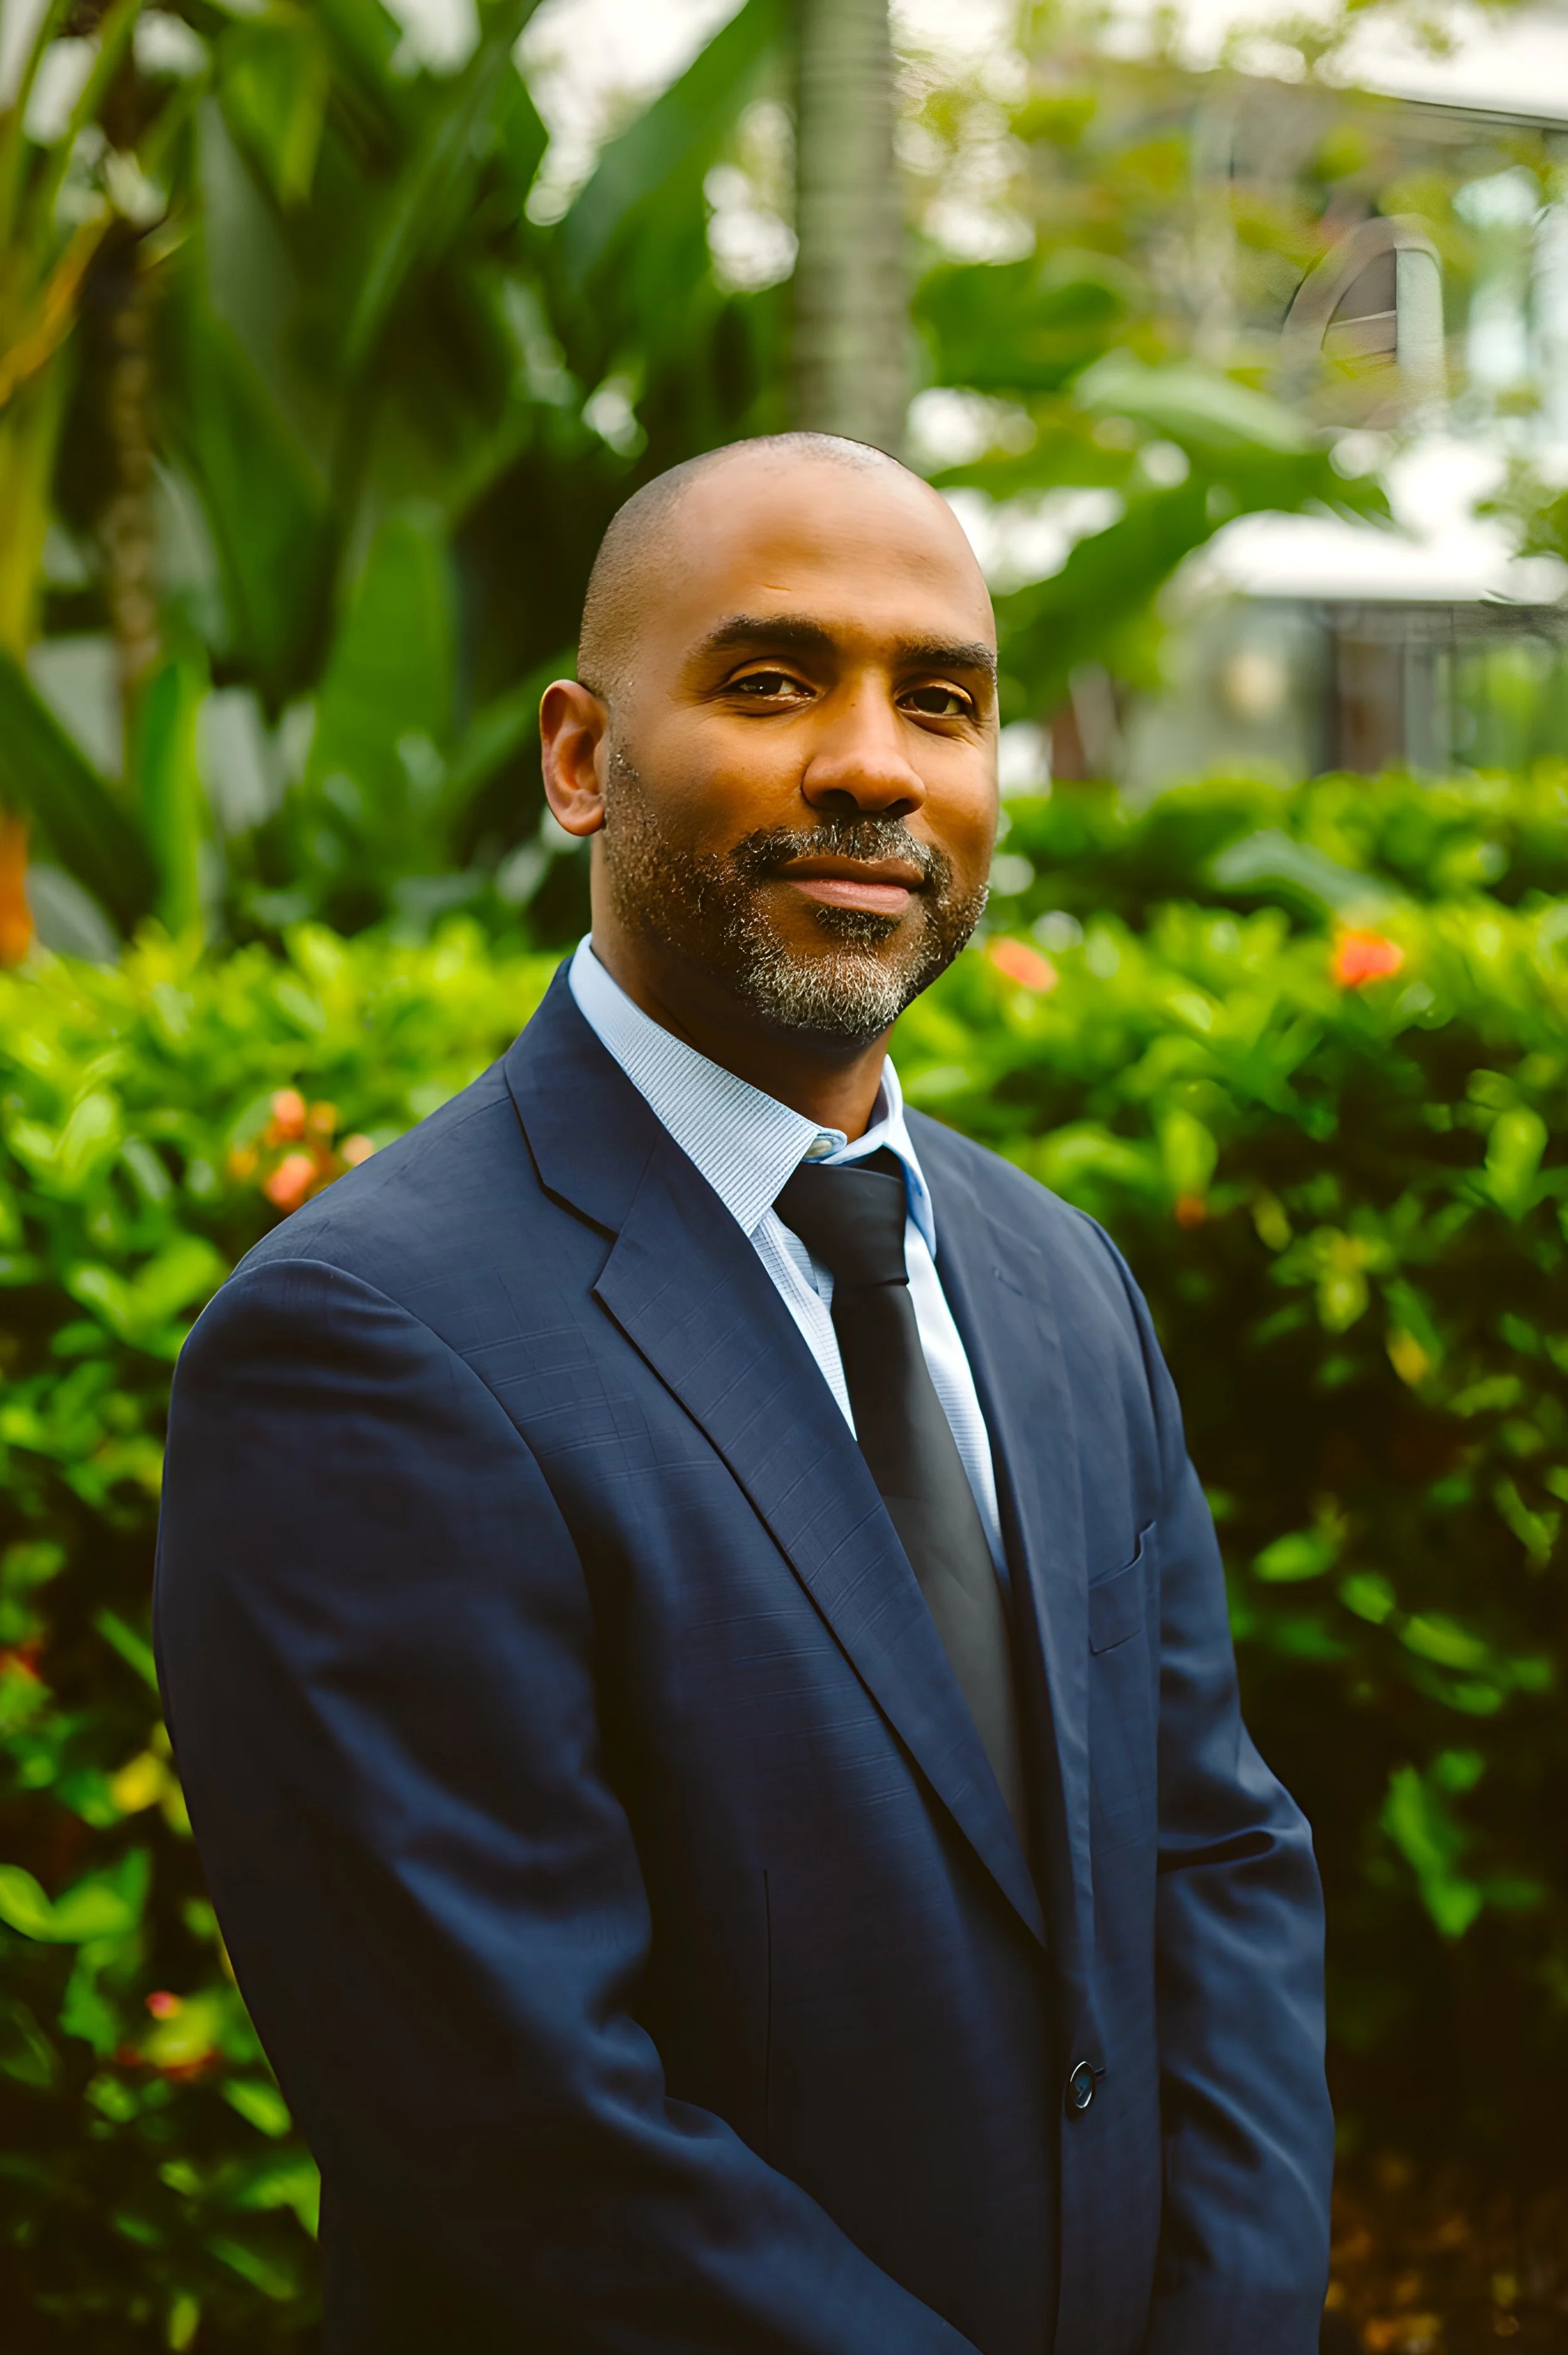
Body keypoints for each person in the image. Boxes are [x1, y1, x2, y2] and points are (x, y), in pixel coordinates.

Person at [154, 433, 1332, 2355]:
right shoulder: (365, 1346)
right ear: (577, 759)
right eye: (773, 682)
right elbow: (519, 2140)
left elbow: (1212, 1854)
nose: (875, 765)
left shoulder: (1057, 1280)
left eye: (940, 702)